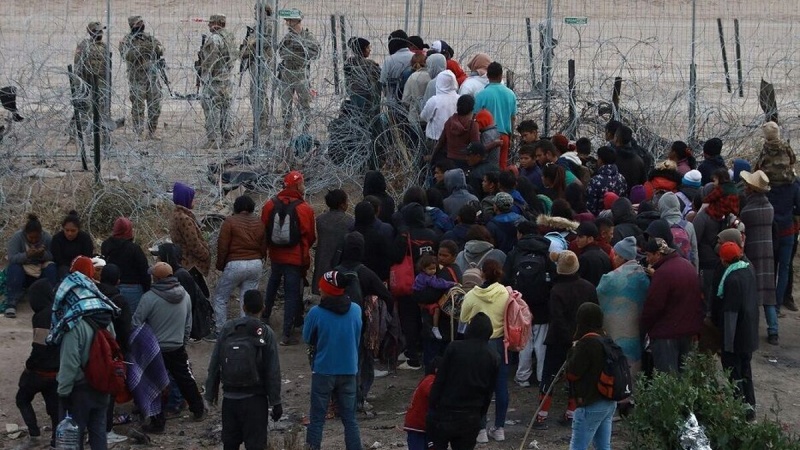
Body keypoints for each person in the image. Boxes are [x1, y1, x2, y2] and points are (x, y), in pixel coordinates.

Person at [49, 268, 120, 450]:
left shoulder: (74, 324)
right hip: (102, 384)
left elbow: (69, 362)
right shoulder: (106, 317)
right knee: (98, 431)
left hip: (80, 389)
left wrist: (63, 392)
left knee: (73, 436)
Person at [205, 290, 283, 450]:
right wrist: (276, 402)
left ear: (244, 306)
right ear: (263, 308)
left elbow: (214, 364)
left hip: (230, 399)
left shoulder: (228, 328)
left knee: (230, 445)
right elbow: (272, 371)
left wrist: (210, 395)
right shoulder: (265, 332)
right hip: (255, 400)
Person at [133, 262, 205, 432]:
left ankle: (157, 422)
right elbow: (188, 324)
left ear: (157, 278)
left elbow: (136, 322)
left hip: (155, 348)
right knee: (185, 379)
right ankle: (198, 409)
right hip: (177, 346)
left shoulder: (149, 298)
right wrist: (182, 342)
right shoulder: (185, 296)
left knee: (155, 383)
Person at [534, 251, 597, 429]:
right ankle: (571, 413)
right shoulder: (589, 287)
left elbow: (557, 318)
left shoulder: (556, 290)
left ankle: (541, 415)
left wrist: (568, 339)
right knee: (576, 376)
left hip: (558, 341)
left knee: (549, 376)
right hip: (583, 340)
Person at [303, 271, 363, 450]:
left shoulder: (316, 313)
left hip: (324, 369)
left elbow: (307, 337)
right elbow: (357, 336)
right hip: (349, 369)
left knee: (317, 419)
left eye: (322, 287)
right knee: (350, 419)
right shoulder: (356, 310)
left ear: (328, 290)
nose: (319, 289)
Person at [427, 313, 498, 450]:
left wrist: (433, 404)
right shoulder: (493, 356)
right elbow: (489, 391)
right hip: (471, 415)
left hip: (447, 411)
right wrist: (480, 414)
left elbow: (440, 379)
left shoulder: (454, 348)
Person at [261, 171, 316, 345]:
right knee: (292, 293)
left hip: (276, 255)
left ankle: (264, 317)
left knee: (272, 285)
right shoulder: (304, 208)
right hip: (295, 257)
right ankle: (286, 333)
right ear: (297, 185)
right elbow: (310, 235)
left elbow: (264, 229)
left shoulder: (270, 204)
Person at [459, 259, 510, 442]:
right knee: (501, 387)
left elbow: (463, 317)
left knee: (478, 387)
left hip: (477, 344)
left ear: (481, 274)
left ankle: (480, 430)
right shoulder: (504, 292)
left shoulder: (472, 294)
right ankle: (500, 428)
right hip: (499, 343)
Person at [502, 220, 553, 387]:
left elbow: (506, 278)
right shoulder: (545, 250)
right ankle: (541, 377)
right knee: (541, 344)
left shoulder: (515, 252)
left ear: (520, 234)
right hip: (542, 305)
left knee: (524, 341)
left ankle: (522, 376)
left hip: (520, 304)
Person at [641, 238, 703, 373]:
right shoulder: (687, 266)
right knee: (683, 380)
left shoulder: (663, 274)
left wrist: (644, 326)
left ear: (658, 254)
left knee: (668, 381)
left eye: (649, 255)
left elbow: (653, 306)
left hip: (666, 335)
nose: (647, 259)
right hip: (688, 333)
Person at [714, 242, 759, 420]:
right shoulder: (748, 269)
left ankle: (739, 409)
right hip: (749, 332)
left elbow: (730, 314)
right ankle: (750, 407)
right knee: (746, 370)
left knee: (735, 374)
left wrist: (727, 344)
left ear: (724, 260)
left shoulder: (732, 279)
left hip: (735, 337)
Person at [596, 237, 650, 383]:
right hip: (637, 329)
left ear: (621, 256)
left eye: (615, 254)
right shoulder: (643, 276)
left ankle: (619, 392)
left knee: (617, 360)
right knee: (634, 360)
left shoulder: (611, 279)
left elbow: (599, 293)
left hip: (616, 330)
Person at [213, 195, 267, 337]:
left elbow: (222, 245)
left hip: (235, 263)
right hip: (255, 263)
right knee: (247, 299)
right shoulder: (259, 222)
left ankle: (221, 331)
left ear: (236, 207)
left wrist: (220, 264)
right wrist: (259, 257)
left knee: (220, 296)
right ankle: (247, 332)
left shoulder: (230, 222)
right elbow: (263, 246)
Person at [566, 302, 618, 450]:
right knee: (603, 446)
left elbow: (572, 374)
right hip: (608, 401)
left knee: (578, 446)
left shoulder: (586, 344)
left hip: (590, 402)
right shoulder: (607, 339)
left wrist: (572, 351)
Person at [15, 279, 59, 449]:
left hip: (40, 371)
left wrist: (28, 367)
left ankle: (34, 436)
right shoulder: (59, 312)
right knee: (54, 408)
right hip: (58, 370)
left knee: (22, 398)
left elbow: (40, 348)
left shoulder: (41, 317)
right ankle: (56, 441)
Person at [93, 262, 131, 445]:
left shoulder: (92, 293)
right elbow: (125, 330)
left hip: (92, 347)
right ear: (118, 281)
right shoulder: (119, 300)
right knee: (109, 391)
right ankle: (106, 430)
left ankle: (92, 427)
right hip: (112, 350)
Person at [738, 171, 777, 342]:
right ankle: (773, 330)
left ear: (752, 190)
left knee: (752, 295)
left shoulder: (747, 211)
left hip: (752, 254)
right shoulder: (770, 208)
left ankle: (751, 329)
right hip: (768, 255)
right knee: (769, 295)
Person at [118, 15, 164, 140]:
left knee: (155, 106)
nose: (141, 25)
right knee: (138, 107)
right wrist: (142, 50)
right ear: (132, 26)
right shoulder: (127, 40)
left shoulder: (148, 38)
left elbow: (160, 49)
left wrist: (154, 49)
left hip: (152, 77)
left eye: (141, 22)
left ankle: (151, 132)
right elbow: (127, 55)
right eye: (138, 23)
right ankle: (138, 133)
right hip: (137, 78)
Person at [5, 214, 57, 318]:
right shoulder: (17, 237)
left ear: (41, 234)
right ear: (25, 234)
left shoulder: (47, 237)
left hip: (40, 269)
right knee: (14, 267)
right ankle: (11, 302)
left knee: (52, 267)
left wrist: (42, 254)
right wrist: (27, 255)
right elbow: (12, 258)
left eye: (36, 238)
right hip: (23, 271)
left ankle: (52, 301)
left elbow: (53, 256)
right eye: (31, 238)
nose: (34, 240)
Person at [278, 9, 320, 138]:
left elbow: (315, 53)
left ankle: (305, 131)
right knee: (285, 105)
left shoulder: (308, 37)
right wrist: (295, 53)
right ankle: (286, 132)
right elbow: (281, 53)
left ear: (297, 21)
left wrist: (301, 50)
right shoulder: (288, 37)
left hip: (301, 73)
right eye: (286, 21)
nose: (287, 23)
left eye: (289, 21)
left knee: (304, 104)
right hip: (287, 73)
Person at [199, 14, 238, 148]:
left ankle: (213, 140)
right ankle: (228, 139)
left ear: (216, 24)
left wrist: (203, 72)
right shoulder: (229, 37)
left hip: (215, 79)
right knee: (226, 109)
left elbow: (210, 60)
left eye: (210, 23)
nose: (209, 26)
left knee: (212, 109)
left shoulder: (215, 39)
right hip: (227, 78)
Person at [100, 217, 150, 313]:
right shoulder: (134, 249)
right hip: (133, 289)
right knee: (131, 321)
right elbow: (144, 271)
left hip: (111, 288)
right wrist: (147, 290)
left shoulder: (106, 245)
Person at [240, 2, 276, 136]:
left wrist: (251, 44)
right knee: (255, 94)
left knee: (259, 94)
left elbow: (264, 42)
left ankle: (262, 125)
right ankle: (259, 124)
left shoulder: (267, 25)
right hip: (255, 63)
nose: (255, 13)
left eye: (257, 11)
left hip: (263, 63)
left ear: (264, 12)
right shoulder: (258, 26)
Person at [473, 62, 517, 170]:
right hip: (504, 135)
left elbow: (475, 118)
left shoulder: (481, 95)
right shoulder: (510, 94)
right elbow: (513, 117)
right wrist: (511, 137)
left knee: (487, 167)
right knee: (502, 167)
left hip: (488, 137)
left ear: (487, 76)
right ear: (501, 75)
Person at [72, 22, 110, 143]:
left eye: (101, 31)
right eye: (97, 31)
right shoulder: (83, 46)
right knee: (85, 109)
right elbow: (77, 66)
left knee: (102, 109)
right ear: (91, 32)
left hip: (101, 83)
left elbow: (107, 66)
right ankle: (83, 136)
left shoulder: (104, 47)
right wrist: (79, 85)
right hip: (86, 82)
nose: (100, 33)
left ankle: (103, 137)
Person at [170, 182, 211, 293]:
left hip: (184, 262)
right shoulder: (184, 219)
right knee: (201, 297)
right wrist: (206, 254)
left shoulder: (176, 215)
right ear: (186, 199)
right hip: (191, 264)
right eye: (192, 198)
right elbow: (193, 244)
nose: (195, 201)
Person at [312, 189, 353, 291]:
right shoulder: (350, 222)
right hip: (340, 263)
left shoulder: (320, 220)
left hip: (322, 262)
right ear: (342, 205)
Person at [414, 254, 457, 340]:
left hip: (421, 300)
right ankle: (435, 327)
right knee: (436, 310)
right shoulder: (427, 278)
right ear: (423, 269)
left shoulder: (422, 276)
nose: (433, 271)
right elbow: (438, 283)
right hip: (424, 300)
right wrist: (452, 284)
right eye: (430, 269)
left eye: (434, 269)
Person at [432, 94, 480, 168]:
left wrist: (432, 157)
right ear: (472, 108)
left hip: (449, 159)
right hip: (465, 162)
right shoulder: (472, 125)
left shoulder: (450, 121)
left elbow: (441, 142)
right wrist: (493, 144)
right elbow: (476, 147)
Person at [658, 192, 700, 269]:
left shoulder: (660, 226)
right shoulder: (689, 226)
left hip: (666, 269)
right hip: (686, 269)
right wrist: (695, 273)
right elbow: (694, 253)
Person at [420, 70, 459, 152]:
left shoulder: (434, 100)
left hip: (435, 138)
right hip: (455, 138)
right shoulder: (459, 98)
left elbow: (423, 117)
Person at [403, 360, 437, 450]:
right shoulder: (431, 380)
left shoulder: (428, 379)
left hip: (422, 425)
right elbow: (434, 394)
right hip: (417, 425)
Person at [50, 211, 94, 280]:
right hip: (63, 267)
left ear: (78, 230)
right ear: (63, 228)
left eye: (73, 231)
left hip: (81, 266)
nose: (69, 233)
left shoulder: (85, 238)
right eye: (67, 230)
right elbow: (57, 259)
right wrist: (71, 267)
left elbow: (88, 256)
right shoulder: (57, 238)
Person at [344, 37, 381, 116]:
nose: (370, 50)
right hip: (367, 95)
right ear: (362, 49)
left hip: (353, 93)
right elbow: (379, 76)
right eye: (368, 48)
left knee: (357, 117)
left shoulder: (349, 62)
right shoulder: (370, 64)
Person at [586, 146, 628, 215]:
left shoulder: (595, 180)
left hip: (600, 221)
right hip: (618, 217)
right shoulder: (622, 178)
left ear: (601, 160)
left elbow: (590, 206)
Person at [381, 30, 413, 110]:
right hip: (412, 102)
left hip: (394, 102)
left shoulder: (390, 60)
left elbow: (383, 81)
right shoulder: (415, 57)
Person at [575, 222, 612, 286]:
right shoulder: (604, 254)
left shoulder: (584, 258)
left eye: (580, 237)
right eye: (577, 236)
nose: (576, 240)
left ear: (590, 239)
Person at [613, 125, 646, 194]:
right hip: (634, 198)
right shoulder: (639, 160)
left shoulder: (611, 158)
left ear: (616, 138)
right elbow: (643, 183)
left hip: (615, 198)